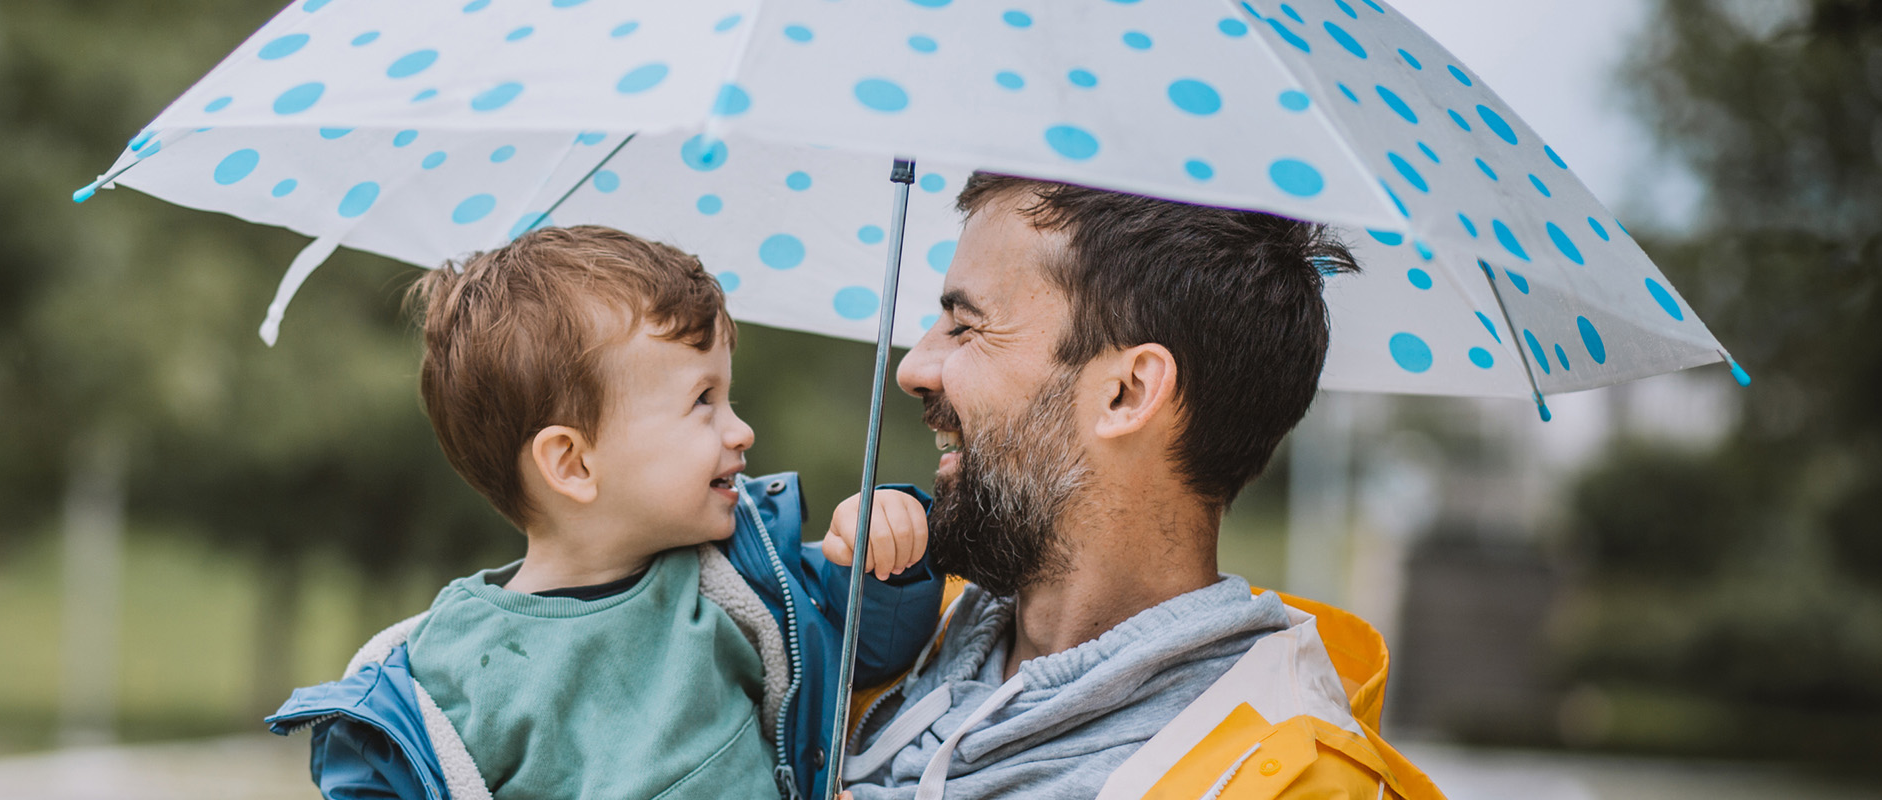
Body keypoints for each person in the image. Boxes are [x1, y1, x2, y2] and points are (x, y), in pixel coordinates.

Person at [267, 225, 947, 800]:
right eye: (703, 400)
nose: (740, 431)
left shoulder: (740, 580)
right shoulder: (446, 675)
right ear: (573, 464)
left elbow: (867, 651)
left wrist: (883, 559)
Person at [838, 175, 1446, 800]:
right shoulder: (874, 633)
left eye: (966, 326)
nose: (914, 369)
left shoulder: (1297, 787)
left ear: (1126, 392)